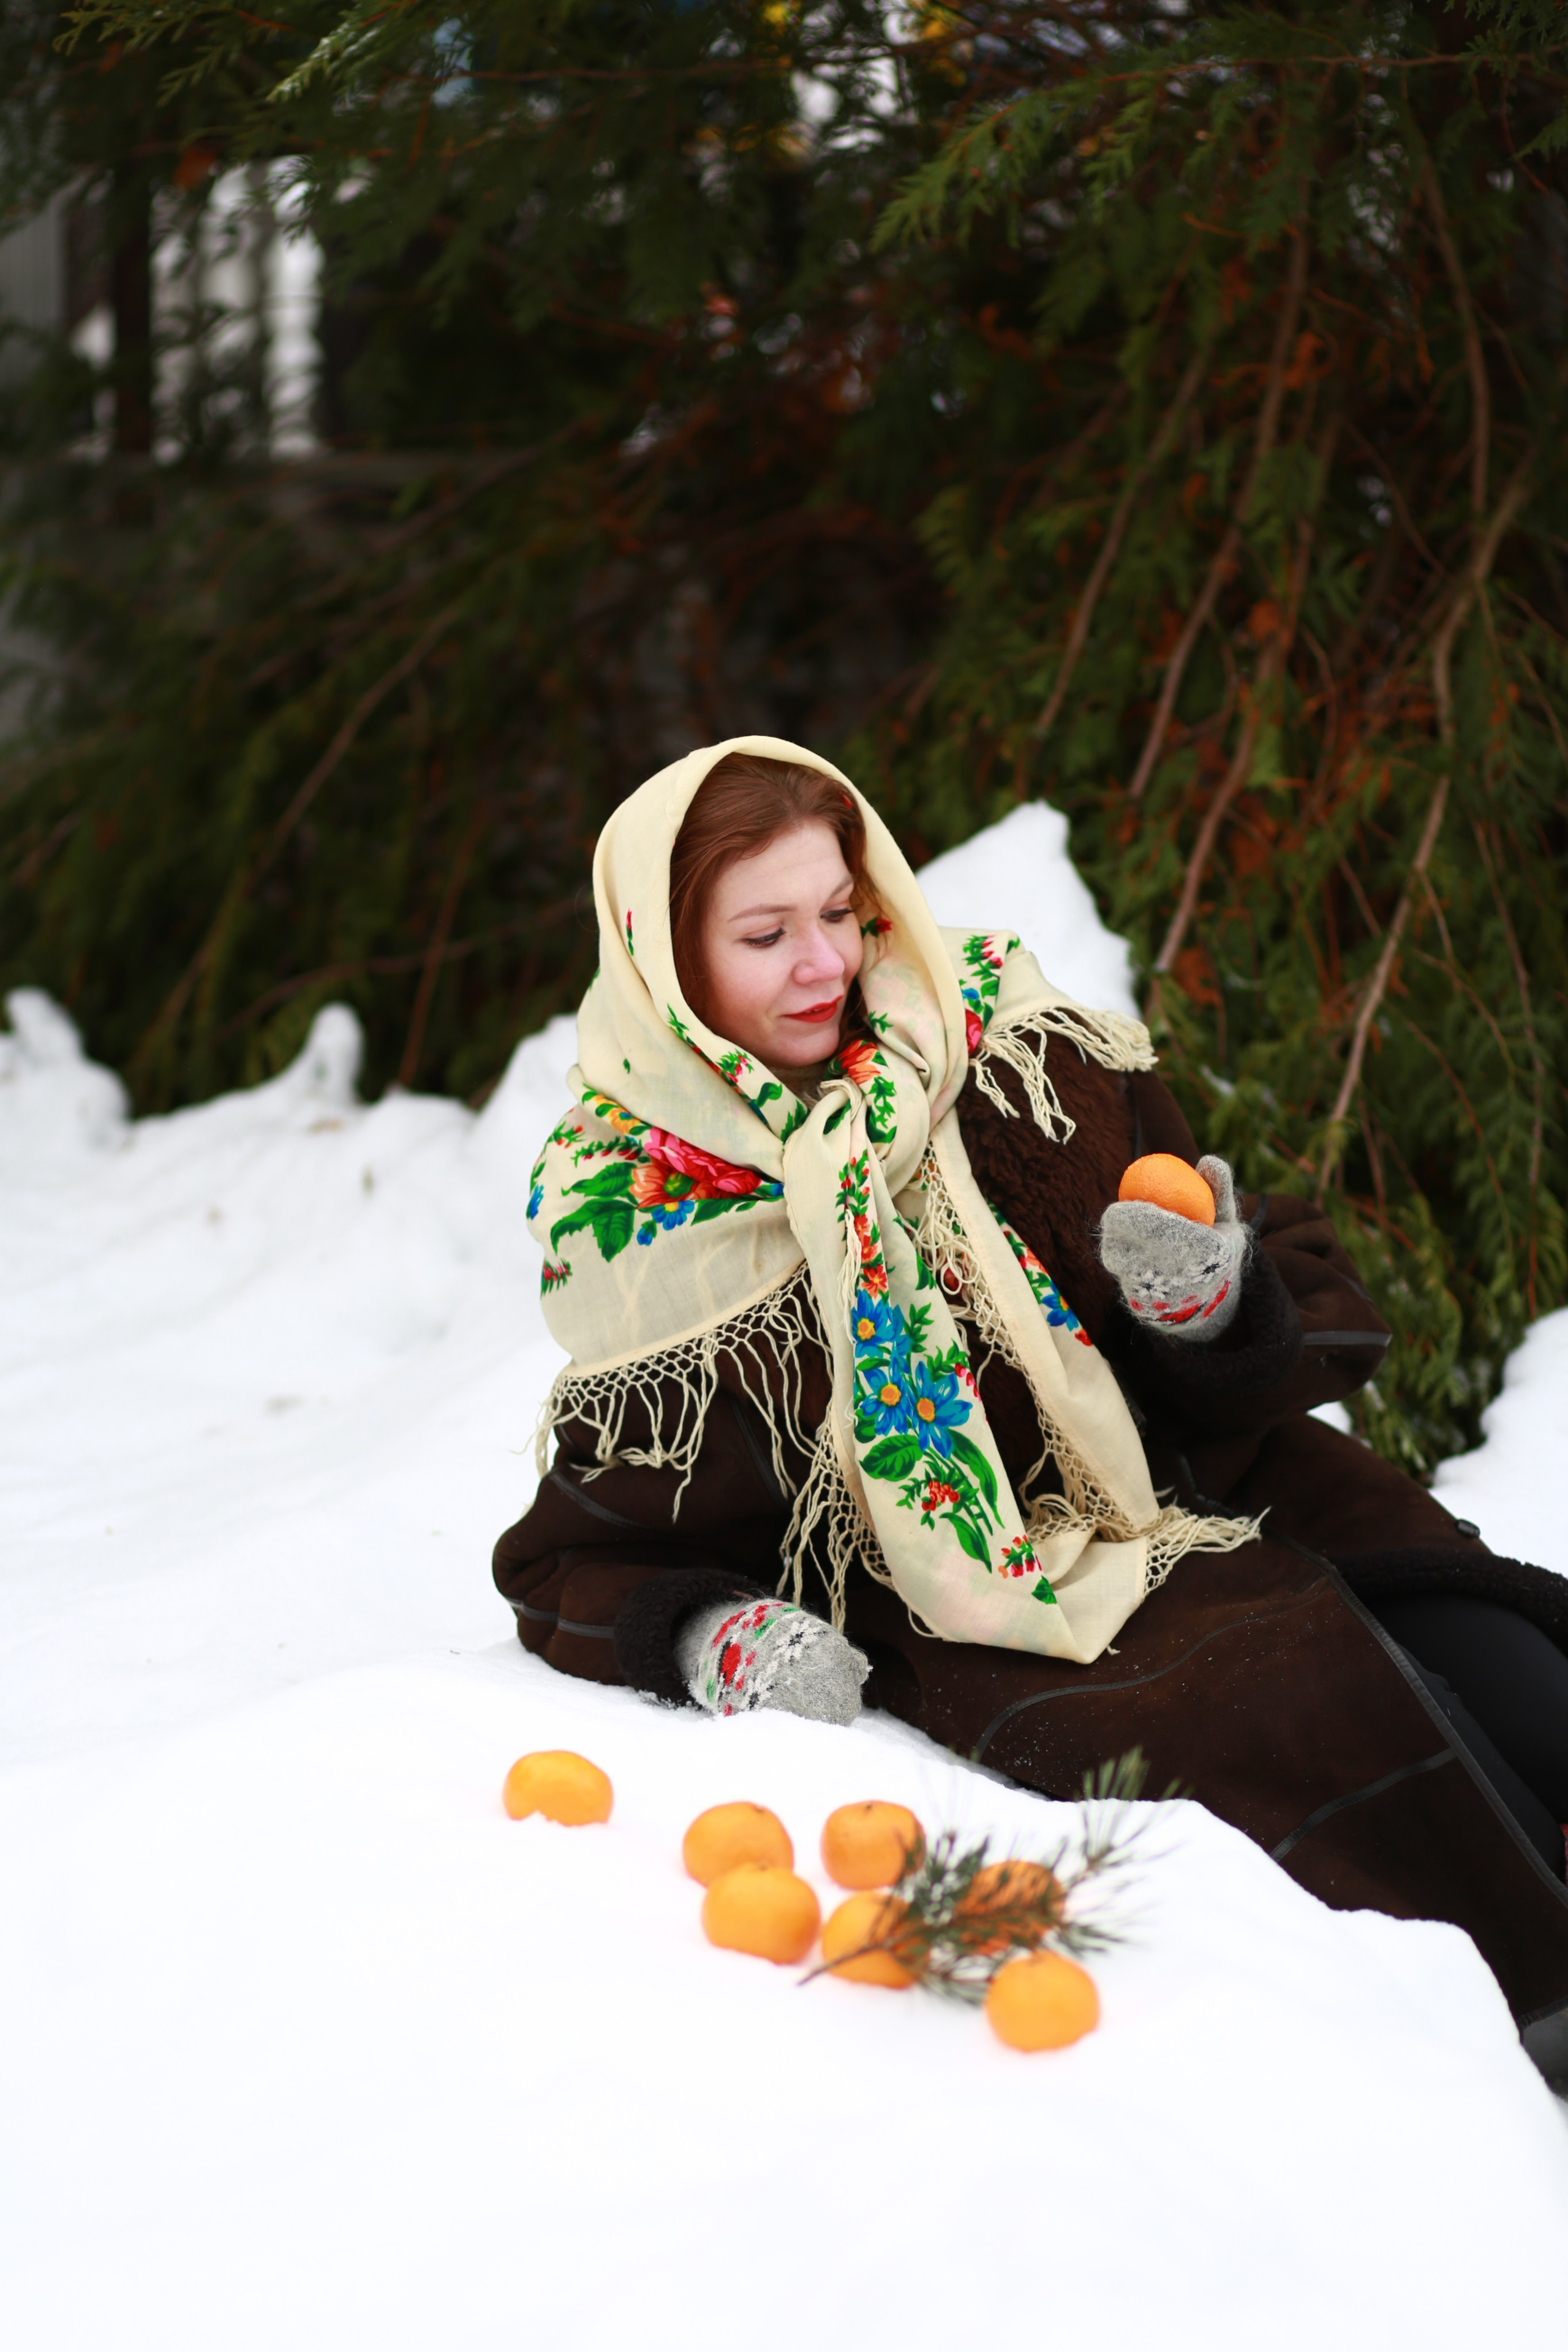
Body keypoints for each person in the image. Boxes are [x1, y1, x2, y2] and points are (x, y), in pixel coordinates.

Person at [496, 736, 1568, 2029]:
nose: (826, 962)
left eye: (838, 910)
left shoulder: (1003, 1045)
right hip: (1017, 1616)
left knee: (1531, 1690)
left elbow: (1258, 1255)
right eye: (765, 935)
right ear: (666, 965)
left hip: (1234, 1489)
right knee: (1400, 1777)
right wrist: (709, 1636)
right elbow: (574, 1559)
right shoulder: (638, 1219)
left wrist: (1211, 1301)